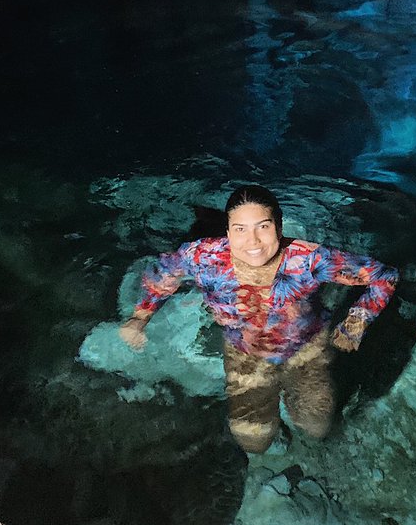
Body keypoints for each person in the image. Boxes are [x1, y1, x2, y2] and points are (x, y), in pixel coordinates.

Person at [118, 185, 399, 453]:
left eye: (262, 227)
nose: (252, 242)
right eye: (240, 230)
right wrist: (138, 319)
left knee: (316, 426)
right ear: (227, 231)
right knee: (253, 441)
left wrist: (356, 323)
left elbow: (384, 277)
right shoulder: (203, 257)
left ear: (279, 225)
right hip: (244, 354)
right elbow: (162, 276)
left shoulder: (308, 260)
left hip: (306, 350)